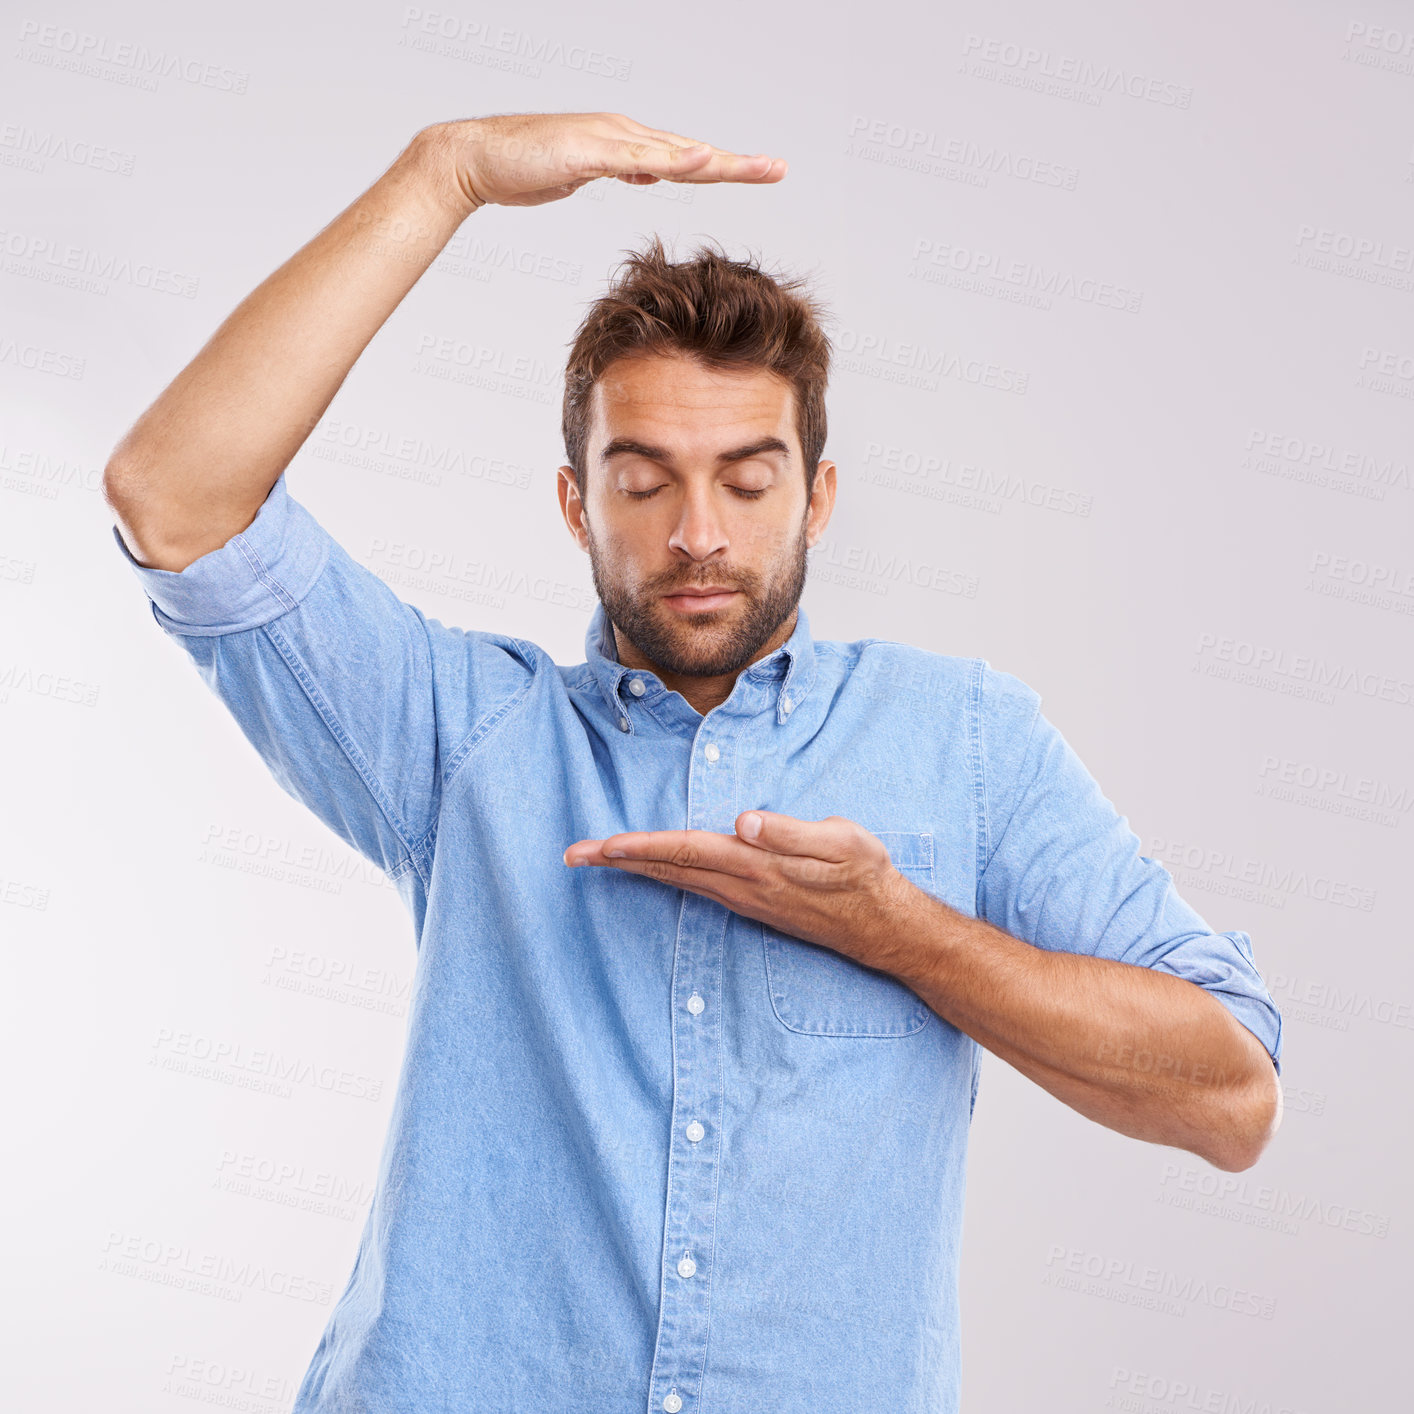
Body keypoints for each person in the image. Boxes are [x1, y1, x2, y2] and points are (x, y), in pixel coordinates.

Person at [103, 112, 1284, 1414]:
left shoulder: (965, 737)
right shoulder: (461, 734)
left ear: (817, 496)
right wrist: (443, 175)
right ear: (575, 504)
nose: (697, 533)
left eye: (746, 477)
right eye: (643, 479)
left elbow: (1228, 1090)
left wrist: (902, 934)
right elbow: (173, 492)